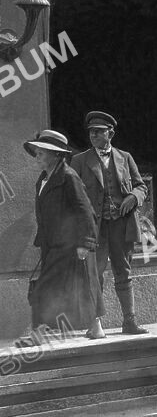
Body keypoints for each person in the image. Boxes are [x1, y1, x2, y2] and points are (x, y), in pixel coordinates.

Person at [69, 110, 150, 338]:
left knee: (124, 272)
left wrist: (133, 197)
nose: (93, 135)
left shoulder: (125, 157)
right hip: (94, 229)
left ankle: (130, 322)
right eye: (91, 132)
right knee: (95, 275)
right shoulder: (80, 160)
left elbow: (141, 186)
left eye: (98, 131)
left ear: (110, 133)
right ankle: (95, 325)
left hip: (121, 226)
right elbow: (72, 195)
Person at [17, 130, 100, 348]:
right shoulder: (44, 179)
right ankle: (95, 326)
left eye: (42, 152)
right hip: (52, 244)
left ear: (56, 155)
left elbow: (85, 210)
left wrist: (85, 243)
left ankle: (37, 335)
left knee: (45, 289)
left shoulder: (69, 177)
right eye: (36, 152)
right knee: (74, 287)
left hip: (69, 245)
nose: (37, 156)